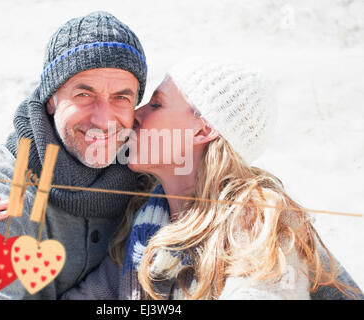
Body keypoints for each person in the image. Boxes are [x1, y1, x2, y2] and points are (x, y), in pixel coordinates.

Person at [59, 58, 363, 300]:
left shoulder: (258, 225)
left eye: (157, 104)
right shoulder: (148, 224)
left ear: (203, 130)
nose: (136, 114)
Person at [0, 11, 148, 299]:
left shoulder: (149, 175)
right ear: (51, 99)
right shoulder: (7, 186)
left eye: (121, 98)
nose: (103, 119)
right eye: (84, 95)